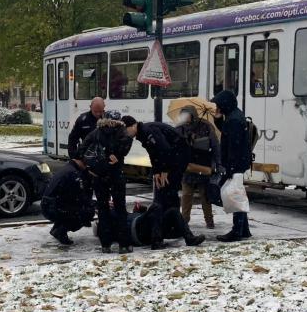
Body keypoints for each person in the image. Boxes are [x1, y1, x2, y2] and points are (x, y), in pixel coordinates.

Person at [121, 115, 203, 249]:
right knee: (165, 196)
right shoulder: (144, 132)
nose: (126, 134)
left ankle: (166, 234)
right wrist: (157, 173)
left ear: (133, 125)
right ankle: (172, 232)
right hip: (173, 160)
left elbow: (164, 150)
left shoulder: (148, 131)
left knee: (165, 194)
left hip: (177, 159)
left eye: (126, 130)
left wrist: (164, 171)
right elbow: (154, 155)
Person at [79, 113, 132, 253]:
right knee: (120, 208)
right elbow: (125, 148)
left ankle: (105, 244)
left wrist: (91, 166)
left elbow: (81, 151)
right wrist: (116, 156)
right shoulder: (122, 132)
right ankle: (124, 244)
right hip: (116, 175)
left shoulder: (95, 133)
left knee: (103, 210)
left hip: (99, 175)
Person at [211, 90, 252, 242]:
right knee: (238, 194)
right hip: (239, 162)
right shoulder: (234, 116)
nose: (217, 108)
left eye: (218, 105)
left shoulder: (234, 120)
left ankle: (237, 231)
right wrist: (218, 119)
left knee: (235, 196)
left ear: (224, 104)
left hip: (236, 164)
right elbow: (227, 132)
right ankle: (244, 230)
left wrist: (231, 168)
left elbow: (233, 146)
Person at [176, 106, 220, 230]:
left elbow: (215, 145)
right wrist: (186, 140)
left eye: (187, 114)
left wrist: (217, 162)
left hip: (203, 164)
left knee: (205, 196)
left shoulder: (206, 126)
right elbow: (175, 143)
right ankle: (184, 221)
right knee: (186, 196)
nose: (185, 117)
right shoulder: (180, 128)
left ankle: (209, 221)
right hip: (188, 166)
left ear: (193, 115)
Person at [41, 156, 95, 245]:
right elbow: (78, 198)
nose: (87, 167)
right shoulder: (73, 174)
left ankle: (58, 228)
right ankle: (60, 231)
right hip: (53, 207)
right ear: (80, 161)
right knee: (87, 212)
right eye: (86, 164)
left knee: (74, 209)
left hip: (48, 205)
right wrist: (95, 205)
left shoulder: (68, 168)